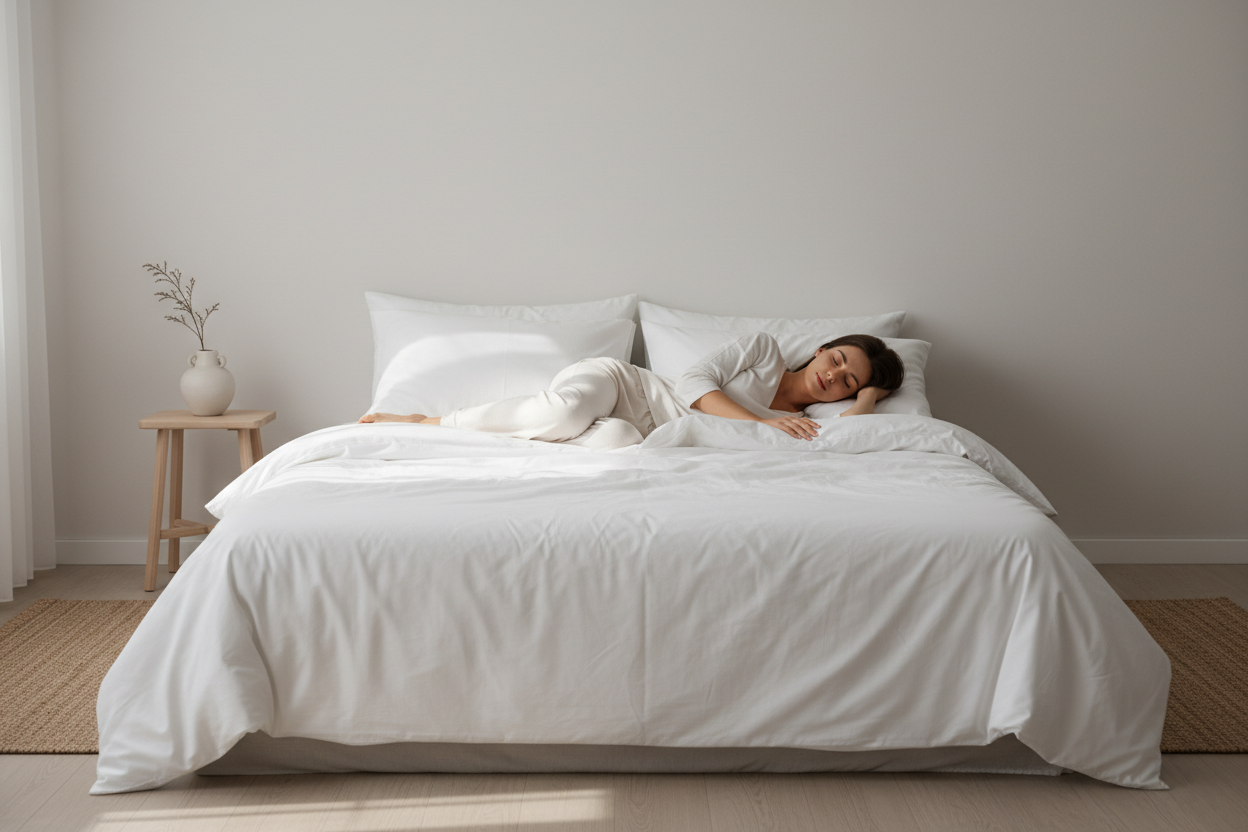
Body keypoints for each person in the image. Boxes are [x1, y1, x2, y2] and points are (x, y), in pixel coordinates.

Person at [359, 332, 904, 449]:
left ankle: (529, 442)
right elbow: (692, 383)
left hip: (642, 434)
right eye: (836, 360)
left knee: (618, 444)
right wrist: (760, 423)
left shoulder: (814, 421)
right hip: (623, 384)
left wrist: (868, 398)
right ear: (821, 349)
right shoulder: (762, 351)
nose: (833, 376)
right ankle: (421, 424)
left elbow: (851, 440)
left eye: (848, 380)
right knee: (570, 410)